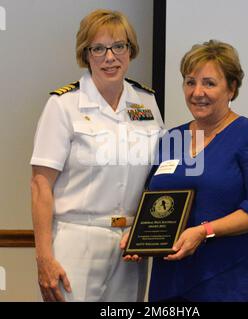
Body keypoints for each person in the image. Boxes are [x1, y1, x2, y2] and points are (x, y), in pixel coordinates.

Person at [30, 9, 164, 302]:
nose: (110, 57)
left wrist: (146, 231)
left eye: (119, 46)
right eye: (99, 48)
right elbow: (40, 185)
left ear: (130, 51)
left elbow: (156, 178)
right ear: (86, 54)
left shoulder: (147, 102)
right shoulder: (64, 105)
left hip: (130, 245)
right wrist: (44, 258)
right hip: (77, 239)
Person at [146, 40, 248, 301]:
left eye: (209, 83)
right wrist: (139, 238)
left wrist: (203, 231)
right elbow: (153, 202)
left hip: (233, 284)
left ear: (231, 88)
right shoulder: (172, 139)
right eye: (190, 82)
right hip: (171, 282)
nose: (197, 92)